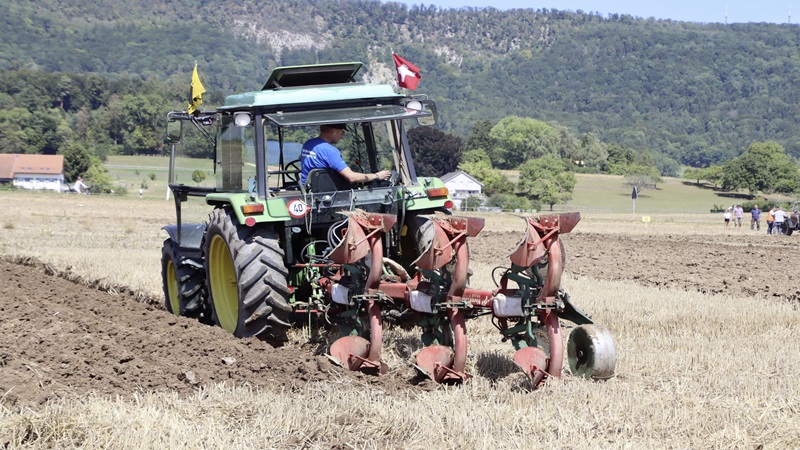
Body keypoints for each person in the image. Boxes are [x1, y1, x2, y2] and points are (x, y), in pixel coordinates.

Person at [300, 124, 391, 186]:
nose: (342, 135)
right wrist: (377, 176)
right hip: (326, 191)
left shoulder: (308, 144)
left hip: (308, 188)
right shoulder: (330, 151)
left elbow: (301, 158)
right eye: (342, 132)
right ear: (334, 131)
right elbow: (351, 177)